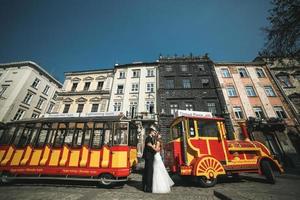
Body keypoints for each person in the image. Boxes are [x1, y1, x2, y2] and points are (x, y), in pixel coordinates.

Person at [142, 125, 157, 192]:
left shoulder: (151, 138)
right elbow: (149, 146)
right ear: (151, 132)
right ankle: (148, 188)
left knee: (147, 172)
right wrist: (155, 150)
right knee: (149, 172)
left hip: (149, 156)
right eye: (154, 131)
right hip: (149, 157)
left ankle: (145, 187)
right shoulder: (148, 138)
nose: (155, 132)